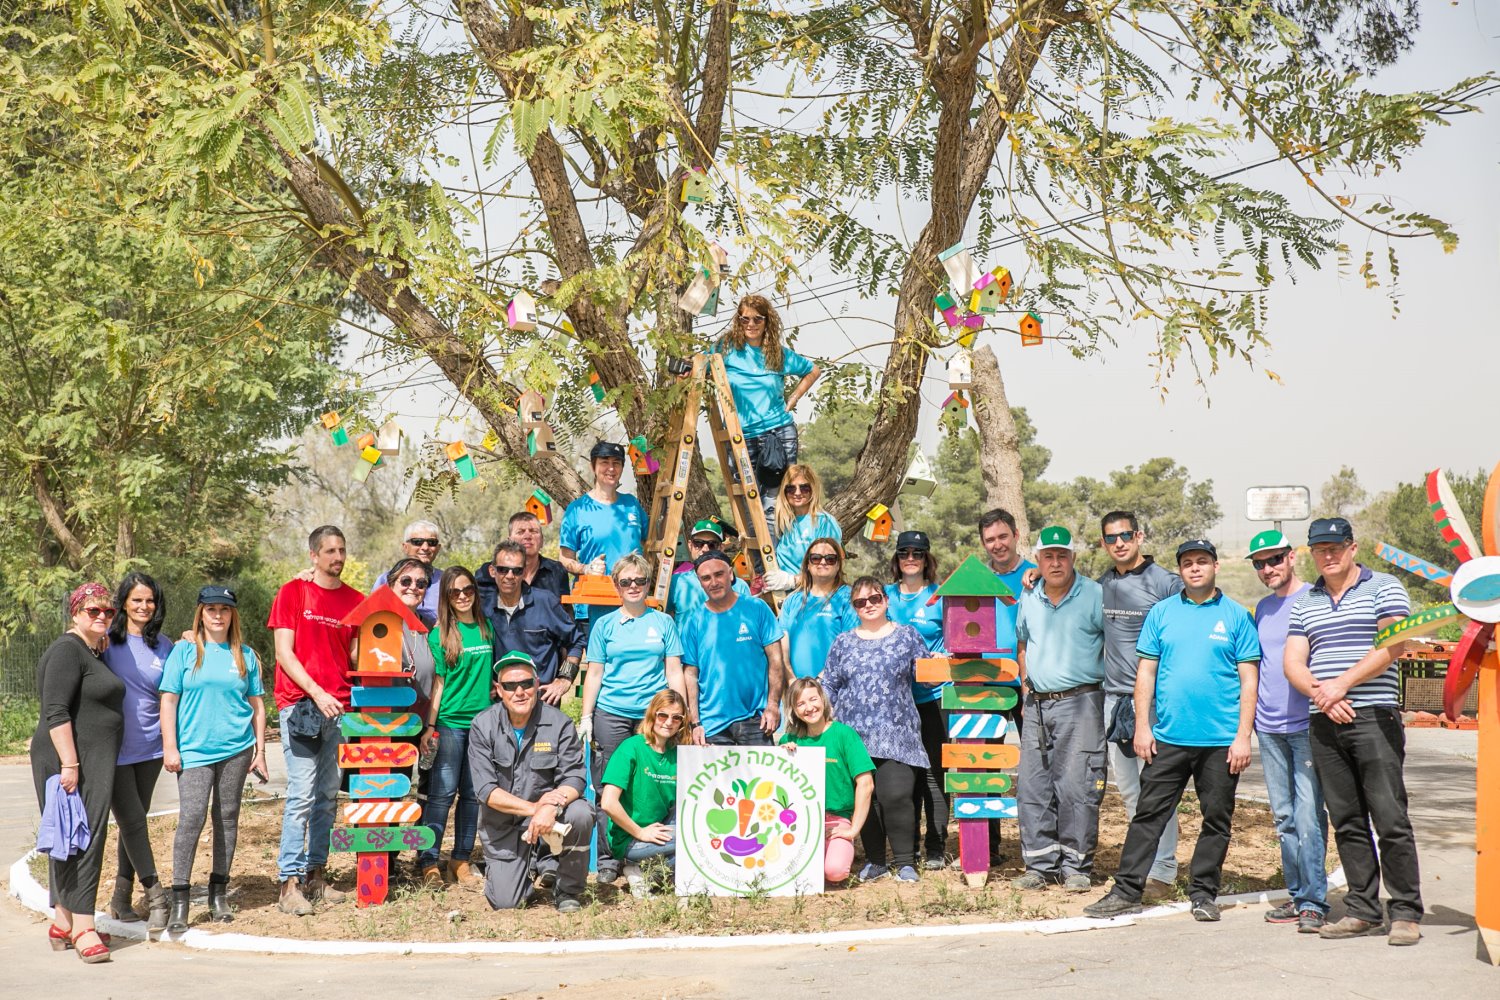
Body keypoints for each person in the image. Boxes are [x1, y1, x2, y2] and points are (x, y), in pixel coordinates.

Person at [1084, 539, 1260, 923]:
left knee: (1216, 819)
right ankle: (1127, 890)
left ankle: (1203, 893)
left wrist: (1243, 736)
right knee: (1148, 815)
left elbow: (1250, 681)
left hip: (1220, 743)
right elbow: (1145, 673)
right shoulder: (1161, 613)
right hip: (1168, 738)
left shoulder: (1236, 616)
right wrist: (1143, 727)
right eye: (1187, 563)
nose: (1195, 568)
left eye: (1202, 561)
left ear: (1215, 566)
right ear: (1179, 570)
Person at [1284, 516, 1422, 946]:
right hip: (1323, 721)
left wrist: (1341, 684)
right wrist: (1322, 695)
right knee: (1346, 819)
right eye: (1320, 549)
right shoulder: (1306, 602)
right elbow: (1293, 661)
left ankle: (1404, 913)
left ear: (1352, 547)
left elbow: (1393, 644)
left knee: (1390, 817)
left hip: (1372, 716)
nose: (1328, 555)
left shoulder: (1384, 586)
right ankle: (1363, 910)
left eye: (1335, 547)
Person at [159, 586, 268, 930]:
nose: (218, 614)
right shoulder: (184, 651)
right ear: (201, 613)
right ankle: (180, 900)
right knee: (191, 819)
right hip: (193, 750)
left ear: (233, 614)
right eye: (211, 609)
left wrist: (261, 751)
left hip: (237, 749)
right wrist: (170, 747)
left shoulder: (245, 655)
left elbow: (257, 705)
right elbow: (168, 701)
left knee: (227, 818)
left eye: (224, 608)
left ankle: (218, 894)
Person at [268, 525, 363, 915]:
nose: (337, 557)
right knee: (302, 796)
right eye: (329, 551)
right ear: (313, 555)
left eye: (341, 550)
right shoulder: (294, 592)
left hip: (340, 710)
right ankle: (288, 884)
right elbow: (284, 654)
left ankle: (316, 877)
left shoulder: (356, 601)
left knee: (326, 797)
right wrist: (317, 692)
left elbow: (358, 657)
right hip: (302, 706)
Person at [1010, 526, 1107, 893]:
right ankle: (1040, 865)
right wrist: (1025, 685)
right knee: (1032, 786)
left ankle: (1076, 866)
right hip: (1036, 704)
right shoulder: (1029, 595)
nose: (1055, 562)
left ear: (1073, 559)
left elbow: (1112, 646)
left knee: (1077, 784)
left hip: (1080, 701)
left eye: (1062, 555)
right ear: (1037, 560)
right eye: (1047, 556)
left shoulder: (1094, 595)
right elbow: (1023, 642)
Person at [579, 554, 685, 885]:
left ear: (648, 583)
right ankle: (609, 858)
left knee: (653, 781)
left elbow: (674, 670)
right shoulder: (604, 625)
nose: (633, 587)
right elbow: (594, 673)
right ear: (616, 586)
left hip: (651, 714)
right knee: (609, 787)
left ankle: (649, 849)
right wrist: (586, 715)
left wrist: (684, 715)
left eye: (639, 581)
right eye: (626, 581)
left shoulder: (663, 622)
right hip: (611, 713)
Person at [32, 582, 124, 963]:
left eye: (108, 612)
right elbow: (56, 712)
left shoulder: (89, 650)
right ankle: (85, 928)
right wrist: (70, 763)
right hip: (72, 759)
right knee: (86, 838)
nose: (102, 617)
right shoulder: (67, 651)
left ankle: (63, 921)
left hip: (87, 757)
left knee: (69, 836)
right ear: (75, 613)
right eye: (93, 611)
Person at [1094, 511, 1184, 899]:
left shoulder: (1166, 583)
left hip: (1156, 701)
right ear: (1104, 543)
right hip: (1114, 701)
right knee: (1130, 791)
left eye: (1126, 535)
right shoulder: (1101, 585)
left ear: (1139, 536)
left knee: (1158, 789)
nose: (1120, 543)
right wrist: (1033, 575)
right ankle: (1143, 861)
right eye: (1112, 538)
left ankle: (1163, 870)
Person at [819, 576, 929, 883]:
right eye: (860, 602)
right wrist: (816, 711)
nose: (868, 605)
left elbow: (926, 675)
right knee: (864, 798)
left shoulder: (907, 636)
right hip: (853, 735)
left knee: (896, 795)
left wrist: (945, 664)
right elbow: (829, 682)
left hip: (897, 732)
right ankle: (877, 861)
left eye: (875, 598)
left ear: (886, 600)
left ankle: (906, 861)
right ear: (853, 607)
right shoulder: (843, 642)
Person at [467, 651, 595, 912]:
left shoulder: (559, 723)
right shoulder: (483, 725)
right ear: (498, 689)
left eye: (526, 683)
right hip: (503, 826)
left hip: (551, 822)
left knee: (581, 813)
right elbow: (486, 791)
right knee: (507, 903)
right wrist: (538, 809)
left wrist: (552, 809)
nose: (519, 691)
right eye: (510, 686)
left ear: (537, 684)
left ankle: (567, 889)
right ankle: (531, 864)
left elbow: (575, 777)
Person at [1246, 529, 1327, 933]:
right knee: (1284, 817)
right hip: (1268, 727)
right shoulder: (1261, 608)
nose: (1267, 569)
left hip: (1307, 725)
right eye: (1259, 563)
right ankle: (1298, 897)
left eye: (1274, 559)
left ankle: (1315, 901)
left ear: (1292, 557)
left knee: (1309, 816)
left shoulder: (1317, 598)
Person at [713, 296, 821, 533]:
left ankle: (779, 560)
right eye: (745, 319)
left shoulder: (777, 353)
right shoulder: (727, 348)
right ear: (738, 320)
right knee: (750, 502)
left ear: (766, 321)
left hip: (777, 433)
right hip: (742, 435)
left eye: (757, 319)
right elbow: (700, 364)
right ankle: (761, 564)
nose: (750, 324)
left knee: (775, 502)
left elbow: (813, 370)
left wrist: (793, 398)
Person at [101, 571, 172, 930]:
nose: (144, 606)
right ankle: (156, 895)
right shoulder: (105, 642)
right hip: (112, 749)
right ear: (124, 603)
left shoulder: (165, 646)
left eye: (150, 600)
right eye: (137, 600)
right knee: (131, 820)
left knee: (134, 823)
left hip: (152, 748)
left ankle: (120, 898)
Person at [418, 565, 495, 887]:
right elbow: (438, 683)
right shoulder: (439, 634)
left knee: (473, 795)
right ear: (446, 597)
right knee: (441, 795)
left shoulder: (486, 627)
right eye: (455, 592)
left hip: (481, 725)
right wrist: (430, 727)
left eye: (468, 590)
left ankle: (461, 860)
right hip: (449, 724)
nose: (462, 596)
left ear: (475, 592)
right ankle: (428, 861)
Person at [885, 530, 948, 869]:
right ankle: (908, 846)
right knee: (903, 775)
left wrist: (943, 659)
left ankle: (937, 846)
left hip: (933, 697)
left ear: (927, 559)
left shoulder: (939, 597)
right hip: (896, 703)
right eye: (905, 553)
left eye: (918, 553)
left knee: (934, 773)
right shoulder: (885, 596)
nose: (911, 558)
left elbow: (953, 645)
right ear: (897, 559)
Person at [681, 551, 786, 748]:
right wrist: (695, 722)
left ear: (730, 574)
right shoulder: (694, 620)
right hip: (711, 725)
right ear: (700, 582)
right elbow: (690, 674)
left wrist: (772, 706)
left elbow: (776, 661)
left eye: (719, 574)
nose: (713, 582)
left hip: (756, 719)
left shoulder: (757, 608)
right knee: (715, 780)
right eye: (706, 578)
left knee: (761, 779)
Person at [780, 677, 875, 884]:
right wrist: (782, 758)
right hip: (798, 822)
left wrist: (853, 830)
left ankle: (836, 853)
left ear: (823, 699)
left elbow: (866, 783)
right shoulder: (787, 740)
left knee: (834, 872)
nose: (809, 707)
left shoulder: (844, 734)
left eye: (813, 699)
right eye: (800, 703)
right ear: (793, 709)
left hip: (835, 820)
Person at [599, 689, 690, 898]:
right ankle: (642, 868)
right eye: (663, 715)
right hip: (631, 838)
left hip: (660, 832)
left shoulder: (679, 754)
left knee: (696, 839)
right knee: (694, 839)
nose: (669, 722)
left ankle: (645, 873)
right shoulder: (631, 747)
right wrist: (640, 833)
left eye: (676, 718)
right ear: (652, 715)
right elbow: (608, 803)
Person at [487, 541, 583, 708]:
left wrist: (565, 678)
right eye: (503, 569)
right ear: (492, 571)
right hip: (498, 705)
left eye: (516, 571)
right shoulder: (483, 607)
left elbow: (576, 640)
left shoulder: (545, 602)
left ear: (524, 573)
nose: (510, 576)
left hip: (542, 703)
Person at [559, 441, 648, 610]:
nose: (611, 469)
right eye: (604, 462)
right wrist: (586, 568)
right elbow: (564, 558)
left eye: (616, 463)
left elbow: (647, 542)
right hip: (592, 605)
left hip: (632, 605)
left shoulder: (632, 504)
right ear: (593, 467)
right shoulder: (577, 509)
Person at [778, 537, 855, 680]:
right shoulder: (792, 601)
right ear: (808, 563)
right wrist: (792, 681)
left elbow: (850, 648)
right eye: (816, 558)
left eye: (830, 559)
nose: (823, 562)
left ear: (838, 565)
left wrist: (819, 683)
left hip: (833, 691)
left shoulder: (848, 597)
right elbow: (783, 648)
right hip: (797, 692)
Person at [768, 464, 841, 589]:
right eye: (791, 488)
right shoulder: (782, 522)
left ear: (812, 489)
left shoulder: (824, 522)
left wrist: (793, 581)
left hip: (813, 595)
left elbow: (829, 568)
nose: (797, 493)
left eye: (804, 488)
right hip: (785, 598)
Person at [478, 512, 570, 609]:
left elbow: (565, 612)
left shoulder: (557, 571)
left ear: (542, 540)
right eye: (520, 532)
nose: (527, 536)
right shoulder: (489, 573)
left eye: (533, 531)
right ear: (509, 541)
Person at [669, 519, 752, 617]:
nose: (705, 549)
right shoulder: (676, 581)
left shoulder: (739, 585)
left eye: (712, 544)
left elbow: (748, 620)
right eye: (698, 543)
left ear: (721, 548)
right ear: (690, 545)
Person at [373, 520, 444, 620]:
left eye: (431, 542)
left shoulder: (447, 581)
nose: (425, 547)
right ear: (405, 547)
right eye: (417, 542)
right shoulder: (385, 580)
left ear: (438, 548)